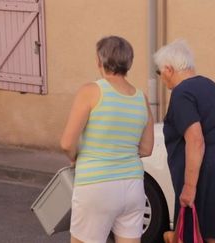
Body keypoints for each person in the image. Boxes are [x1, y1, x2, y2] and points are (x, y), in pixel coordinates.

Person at [60, 36, 154, 243]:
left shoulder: (91, 91)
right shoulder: (141, 98)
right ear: (129, 62)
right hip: (133, 185)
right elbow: (147, 149)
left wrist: (75, 157)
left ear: (99, 61)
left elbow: (67, 143)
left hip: (96, 184)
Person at [154, 39, 215, 243]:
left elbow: (195, 140)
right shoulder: (210, 86)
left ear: (168, 69)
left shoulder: (182, 93)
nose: (162, 79)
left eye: (160, 73)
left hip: (205, 173)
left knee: (199, 231)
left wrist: (189, 186)